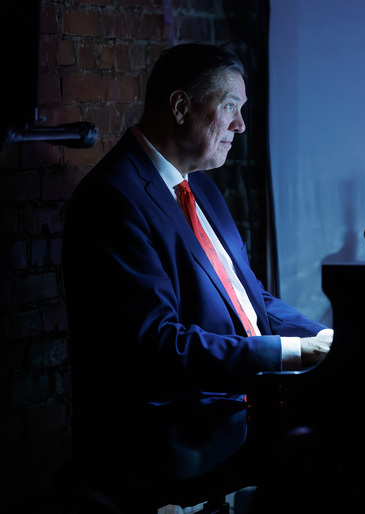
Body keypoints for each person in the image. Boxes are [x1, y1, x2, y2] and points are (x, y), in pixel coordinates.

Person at [62, 42, 333, 497]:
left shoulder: (202, 189)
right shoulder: (112, 198)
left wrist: (321, 340)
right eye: (229, 106)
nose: (241, 125)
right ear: (181, 106)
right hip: (170, 432)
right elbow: (156, 345)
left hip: (232, 404)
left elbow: (250, 299)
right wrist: (286, 353)